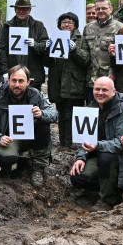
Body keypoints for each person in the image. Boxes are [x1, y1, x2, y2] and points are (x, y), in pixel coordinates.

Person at [69, 76, 123, 212]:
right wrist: (81, 157)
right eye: (97, 89)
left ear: (113, 92)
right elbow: (83, 139)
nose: (100, 93)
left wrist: (98, 146)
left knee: (105, 157)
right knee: (77, 178)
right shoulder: (90, 107)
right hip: (100, 155)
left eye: (104, 90)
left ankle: (109, 199)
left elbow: (121, 143)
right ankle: (110, 188)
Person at [0, 65, 59, 188]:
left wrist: (42, 114)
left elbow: (54, 114)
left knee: (43, 125)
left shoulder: (36, 95)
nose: (17, 85)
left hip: (32, 138)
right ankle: (6, 169)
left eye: (21, 81)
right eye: (14, 80)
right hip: (9, 139)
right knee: (6, 158)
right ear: (8, 80)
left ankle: (38, 169)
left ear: (28, 82)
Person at [44, 12, 90, 148]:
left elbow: (86, 60)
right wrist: (47, 49)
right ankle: (63, 143)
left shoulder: (81, 39)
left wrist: (75, 50)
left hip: (74, 84)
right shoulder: (55, 38)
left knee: (72, 115)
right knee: (62, 115)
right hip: (57, 83)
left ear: (75, 25)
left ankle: (72, 144)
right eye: (63, 22)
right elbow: (46, 62)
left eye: (70, 22)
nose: (66, 25)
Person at [0, 0, 49, 90]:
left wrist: (35, 45)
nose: (21, 11)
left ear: (30, 10)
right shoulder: (7, 27)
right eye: (19, 9)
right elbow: (2, 50)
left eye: (24, 9)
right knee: (13, 102)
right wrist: (5, 71)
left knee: (33, 102)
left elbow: (46, 45)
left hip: (34, 75)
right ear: (15, 9)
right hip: (13, 76)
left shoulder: (38, 26)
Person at [83, 0, 123, 104]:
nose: (100, 11)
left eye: (104, 8)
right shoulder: (88, 28)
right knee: (92, 112)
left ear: (111, 9)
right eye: (98, 8)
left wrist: (113, 72)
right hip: (91, 80)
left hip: (110, 79)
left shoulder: (121, 28)